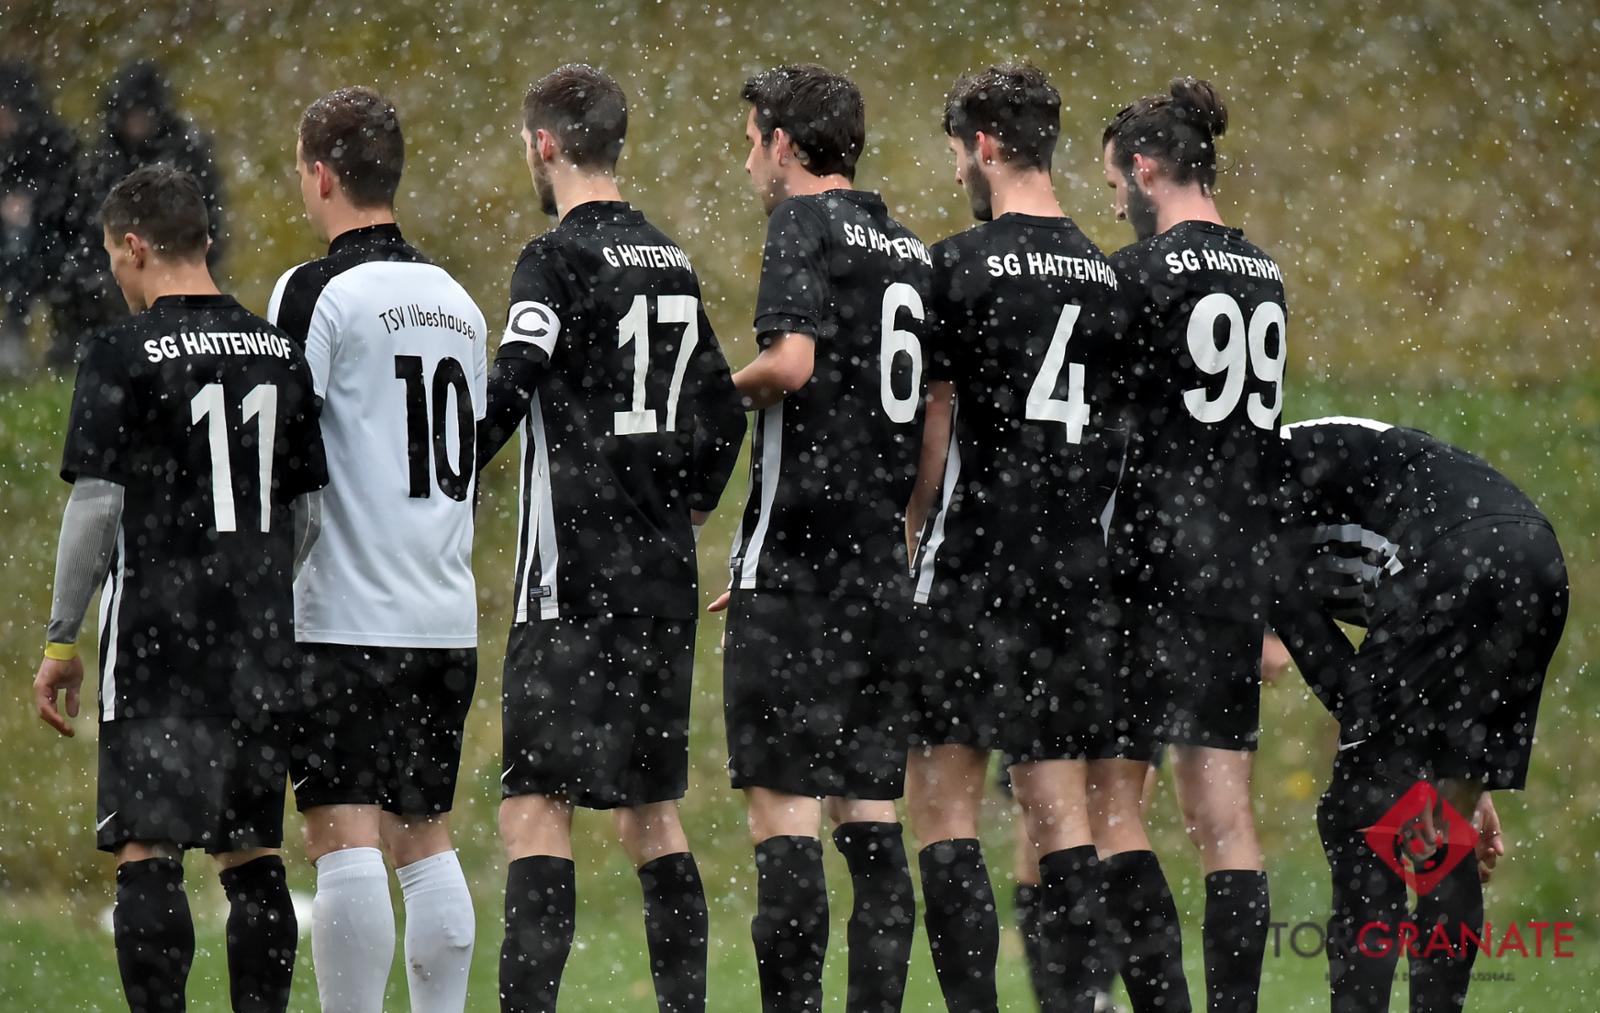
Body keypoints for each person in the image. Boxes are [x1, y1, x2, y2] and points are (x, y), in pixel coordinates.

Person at [477, 64, 746, 1013]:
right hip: (660, 579)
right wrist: (691, 505)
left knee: (534, 812)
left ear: (545, 144)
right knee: (652, 815)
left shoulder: (553, 258)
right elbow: (723, 410)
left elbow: (517, 369)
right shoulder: (668, 259)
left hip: (572, 581)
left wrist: (445, 466)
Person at [32, 164, 326, 1013]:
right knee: (252, 854)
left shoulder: (121, 350)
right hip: (258, 645)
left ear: (133, 246)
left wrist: (61, 636)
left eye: (111, 259)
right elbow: (309, 512)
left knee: (148, 849)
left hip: (159, 640)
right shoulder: (278, 351)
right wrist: (257, 588)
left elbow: (97, 506)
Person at [904, 65, 1126, 1013]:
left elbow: (934, 415)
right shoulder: (1110, 277)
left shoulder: (956, 264)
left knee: (944, 812)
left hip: (973, 563)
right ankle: (1079, 1003)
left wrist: (912, 524)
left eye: (959, 151)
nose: (959, 168)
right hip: (1073, 577)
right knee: (1061, 815)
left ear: (985, 145)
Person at [715, 64, 931, 1012]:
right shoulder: (911, 249)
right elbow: (931, 417)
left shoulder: (799, 224)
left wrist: (710, 393)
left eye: (751, 141)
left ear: (784, 145)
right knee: (873, 827)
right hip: (879, 578)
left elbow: (791, 364)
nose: (747, 162)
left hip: (795, 576)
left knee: (787, 826)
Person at [267, 87, 486, 1013]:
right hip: (442, 613)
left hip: (346, 611)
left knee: (342, 834)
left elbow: (280, 444)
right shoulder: (458, 301)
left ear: (321, 176)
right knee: (424, 836)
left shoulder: (316, 290)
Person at [1098, 77, 1288, 1013]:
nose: (1115, 207)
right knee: (1224, 818)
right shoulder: (1265, 274)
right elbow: (1263, 442)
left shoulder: (1139, 275)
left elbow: (1101, 426)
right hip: (1234, 566)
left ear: (1145, 169)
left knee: (1108, 809)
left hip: (1148, 560)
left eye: (1114, 186)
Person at [1272, 416, 1568, 1013]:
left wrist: (1388, 766)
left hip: (1452, 560)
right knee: (1444, 833)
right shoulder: (1269, 481)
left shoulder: (1234, 515)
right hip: (1536, 563)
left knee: (1359, 814)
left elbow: (1336, 672)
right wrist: (1456, 772)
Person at [56, 60, 226, 369]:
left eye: (143, 113)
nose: (136, 123)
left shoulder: (184, 150)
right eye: (130, 114)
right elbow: (82, 225)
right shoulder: (103, 160)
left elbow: (208, 217)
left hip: (178, 260)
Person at [0, 61, 84, 376]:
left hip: (51, 240)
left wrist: (32, 205)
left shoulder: (51, 142)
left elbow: (69, 194)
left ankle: (23, 338)